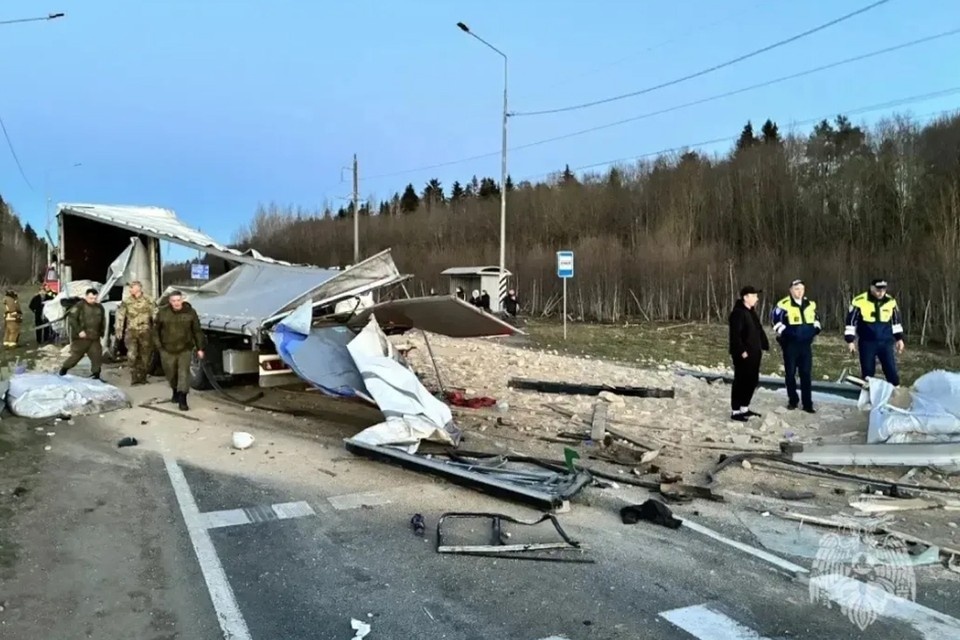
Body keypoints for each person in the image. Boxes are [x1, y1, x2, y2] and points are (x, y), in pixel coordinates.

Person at [771, 279, 821, 413]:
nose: (799, 292)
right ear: (791, 290)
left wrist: (814, 331)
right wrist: (788, 333)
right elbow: (775, 322)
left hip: (805, 345)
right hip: (790, 345)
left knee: (806, 374)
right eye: (796, 289)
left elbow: (817, 320)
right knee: (790, 373)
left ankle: (807, 404)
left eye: (801, 289)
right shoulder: (783, 305)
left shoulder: (810, 304)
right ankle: (793, 401)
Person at [845, 278, 904, 386]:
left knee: (891, 370)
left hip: (886, 342)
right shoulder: (859, 301)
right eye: (878, 290)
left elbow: (896, 321)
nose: (881, 292)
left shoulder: (891, 301)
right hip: (867, 342)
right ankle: (867, 395)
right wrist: (850, 340)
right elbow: (851, 322)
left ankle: (896, 393)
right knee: (868, 371)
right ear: (871, 288)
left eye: (883, 290)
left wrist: (899, 339)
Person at [154, 291, 205, 411]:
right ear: (170, 302)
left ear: (182, 300)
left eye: (178, 300)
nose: (176, 303)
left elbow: (197, 330)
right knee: (171, 374)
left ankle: (183, 399)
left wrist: (200, 348)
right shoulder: (163, 313)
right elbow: (155, 331)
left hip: (184, 348)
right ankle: (175, 390)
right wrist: (159, 347)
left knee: (183, 374)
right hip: (167, 349)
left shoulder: (190, 312)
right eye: (174, 301)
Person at [728, 286, 769, 422]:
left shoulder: (751, 312)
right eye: (754, 295)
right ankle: (735, 410)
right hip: (743, 354)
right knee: (741, 381)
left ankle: (744, 407)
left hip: (754, 352)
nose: (757, 298)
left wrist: (764, 345)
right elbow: (735, 336)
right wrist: (741, 351)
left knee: (752, 380)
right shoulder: (738, 313)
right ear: (746, 297)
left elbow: (758, 330)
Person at [115, 280, 156, 385]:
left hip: (145, 331)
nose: (130, 290)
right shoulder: (126, 301)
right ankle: (134, 377)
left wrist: (157, 329)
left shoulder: (148, 300)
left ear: (138, 288)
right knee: (132, 355)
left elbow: (155, 314)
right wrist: (119, 330)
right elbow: (120, 316)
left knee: (145, 356)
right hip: (131, 331)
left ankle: (142, 377)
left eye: (132, 287)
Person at [59, 288, 106, 379]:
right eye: (91, 298)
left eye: (94, 298)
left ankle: (96, 374)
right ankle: (64, 369)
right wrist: (79, 330)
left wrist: (102, 332)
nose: (93, 300)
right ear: (86, 297)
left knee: (96, 356)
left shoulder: (100, 307)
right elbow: (72, 319)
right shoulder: (79, 306)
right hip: (81, 338)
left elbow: (103, 321)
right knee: (76, 356)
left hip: (94, 337)